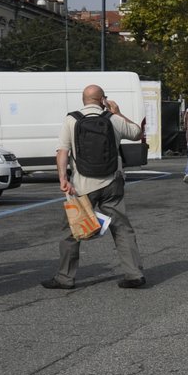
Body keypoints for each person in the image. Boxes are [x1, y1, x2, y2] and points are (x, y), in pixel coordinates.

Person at [41, 85, 147, 290]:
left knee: (72, 230)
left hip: (83, 185)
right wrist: (118, 112)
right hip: (112, 183)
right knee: (122, 227)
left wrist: (63, 177)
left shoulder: (71, 120)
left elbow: (62, 151)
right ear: (102, 100)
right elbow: (136, 133)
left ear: (84, 99)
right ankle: (134, 274)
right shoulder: (112, 119)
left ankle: (65, 277)